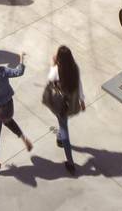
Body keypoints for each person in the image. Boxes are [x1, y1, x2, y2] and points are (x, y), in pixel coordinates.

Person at [45, 46, 85, 174]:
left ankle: (70, 162)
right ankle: (59, 138)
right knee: (62, 123)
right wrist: (82, 100)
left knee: (64, 129)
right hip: (70, 102)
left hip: (60, 104)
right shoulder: (75, 68)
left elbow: (50, 79)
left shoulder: (57, 70)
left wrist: (52, 65)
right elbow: (79, 84)